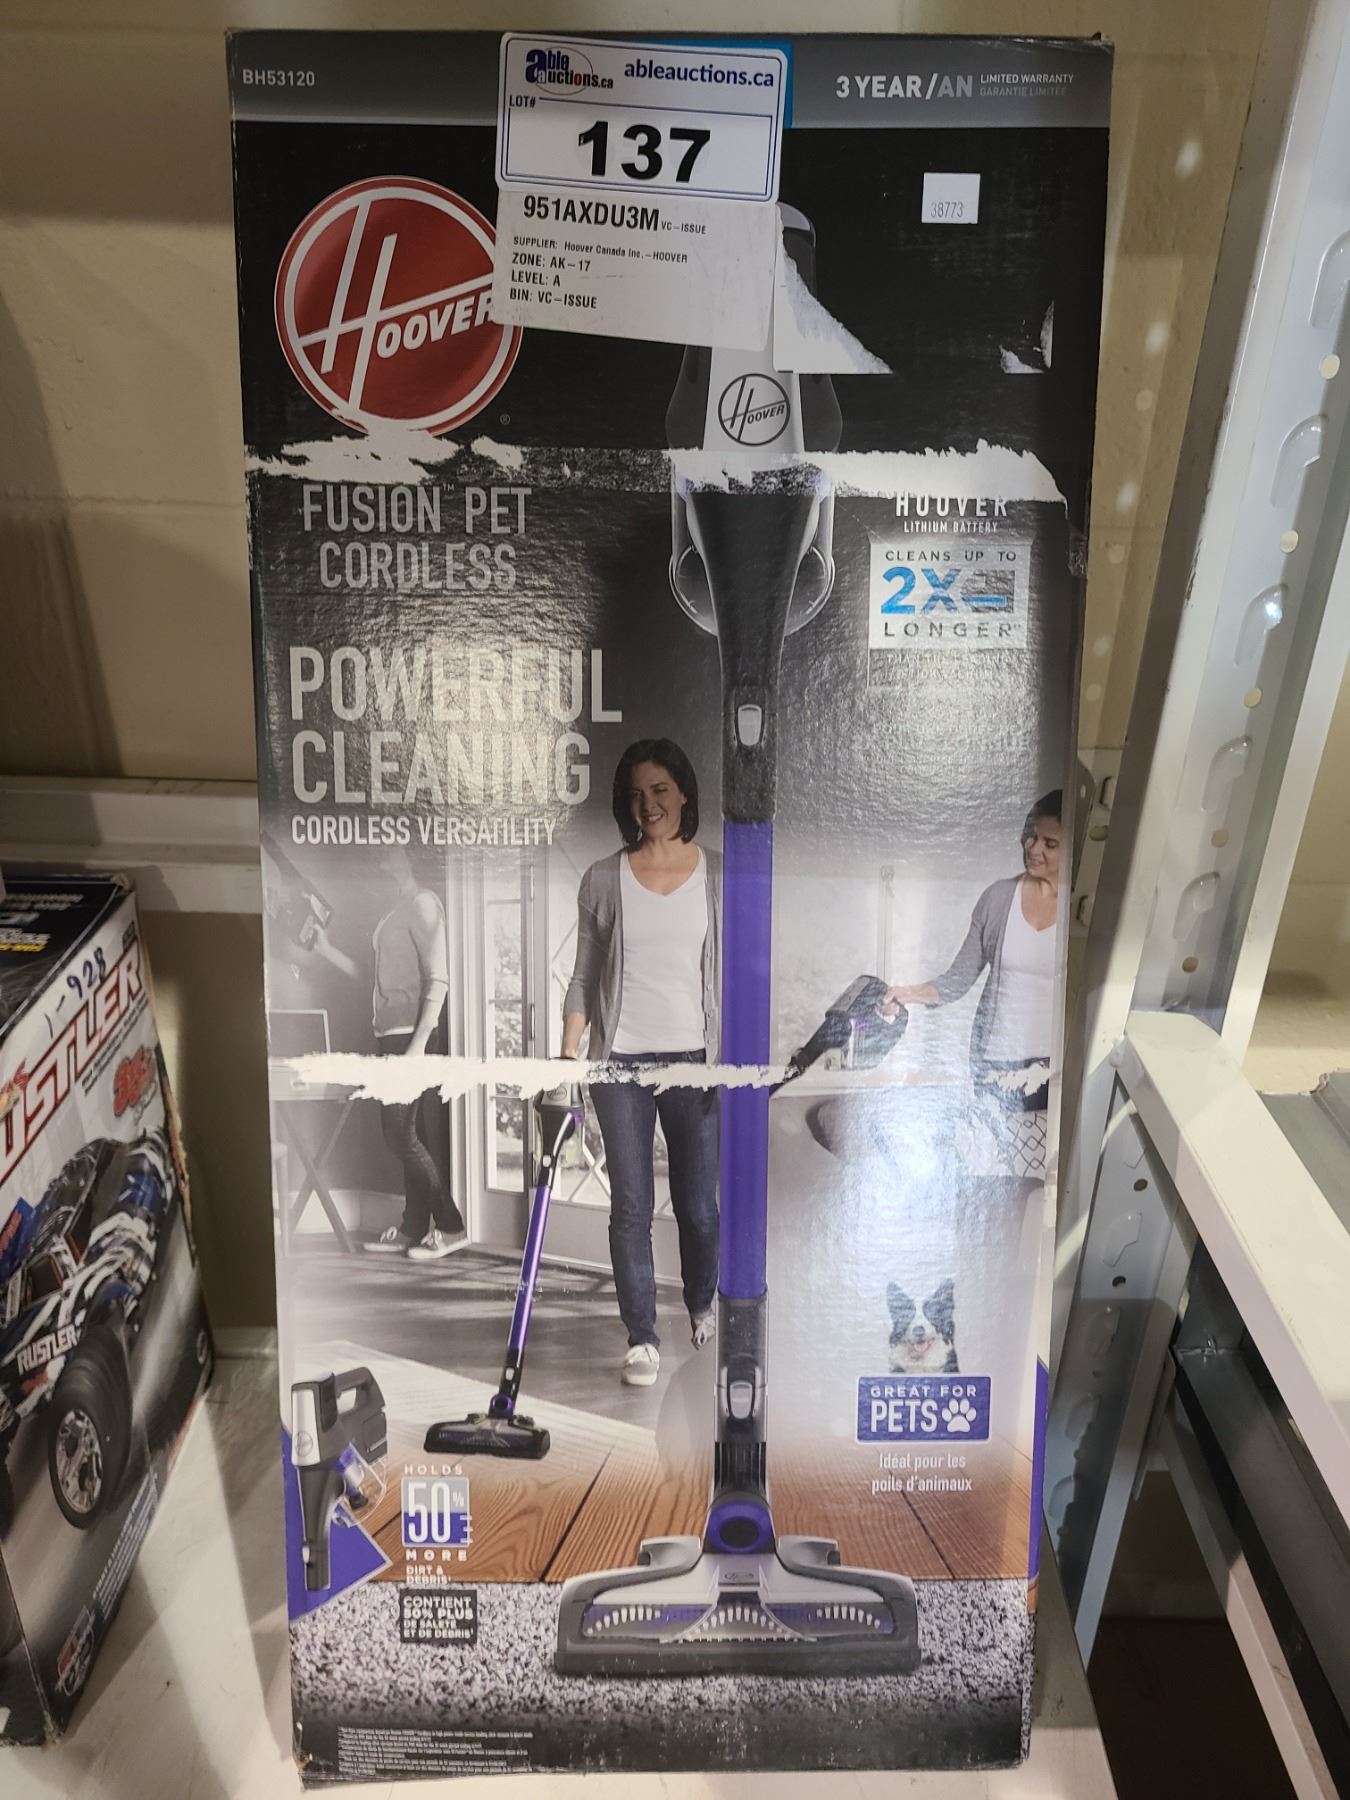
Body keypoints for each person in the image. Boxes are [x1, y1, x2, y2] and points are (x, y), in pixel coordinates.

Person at [561, 739, 720, 1387]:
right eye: (635, 794)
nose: (647, 804)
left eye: (659, 790)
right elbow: (583, 977)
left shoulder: (719, 874)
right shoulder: (604, 878)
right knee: (630, 1206)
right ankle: (643, 1339)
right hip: (619, 1061)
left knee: (698, 1208)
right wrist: (567, 1057)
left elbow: (739, 973)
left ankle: (702, 1301)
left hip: (694, 1062)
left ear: (682, 792)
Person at [883, 792, 1063, 1179]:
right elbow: (958, 979)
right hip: (997, 1065)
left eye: (1050, 843)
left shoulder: (1083, 910)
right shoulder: (998, 898)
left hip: (1056, 1069)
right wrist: (909, 993)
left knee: (1044, 1177)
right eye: (1031, 837)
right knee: (997, 1173)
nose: (1034, 849)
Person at [364, 850, 466, 1259]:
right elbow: (381, 984)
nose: (382, 852)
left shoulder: (424, 903)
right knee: (410, 1134)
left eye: (391, 846)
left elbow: (438, 979)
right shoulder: (397, 906)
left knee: (400, 1135)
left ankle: (451, 1226)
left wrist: (418, 1045)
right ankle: (413, 1226)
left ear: (409, 854)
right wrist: (324, 949)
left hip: (412, 1037)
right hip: (391, 1035)